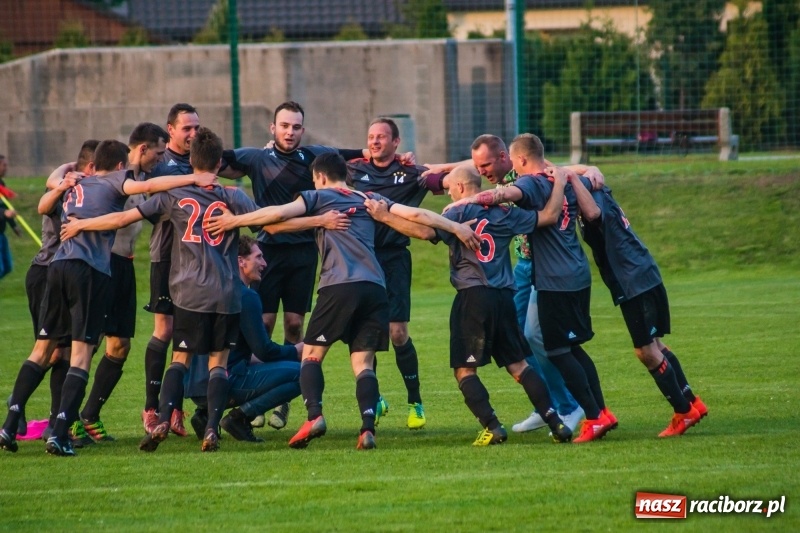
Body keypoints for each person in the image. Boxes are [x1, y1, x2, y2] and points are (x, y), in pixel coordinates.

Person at [204, 153, 476, 450]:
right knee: (363, 363)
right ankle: (367, 428)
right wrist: (456, 227)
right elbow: (417, 216)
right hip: (375, 287)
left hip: (338, 286)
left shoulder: (316, 196)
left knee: (311, 356)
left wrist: (235, 220)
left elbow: (277, 214)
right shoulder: (368, 197)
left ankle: (314, 416)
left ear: (319, 177)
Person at [0, 139, 216, 456]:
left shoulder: (76, 182)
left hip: (58, 268)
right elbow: (155, 183)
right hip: (89, 272)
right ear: (118, 167)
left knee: (42, 349)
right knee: (81, 355)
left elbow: (45, 202)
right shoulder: (114, 180)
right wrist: (193, 178)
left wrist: (66, 175)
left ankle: (8, 425)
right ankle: (59, 433)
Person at [61, 127, 256, 453]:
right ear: (220, 163)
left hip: (188, 292)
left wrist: (80, 224)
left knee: (178, 359)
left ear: (190, 160)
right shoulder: (234, 196)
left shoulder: (173, 195)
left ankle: (163, 418)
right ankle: (211, 430)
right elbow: (269, 221)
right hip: (226, 292)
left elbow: (122, 219)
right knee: (218, 364)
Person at [365, 165, 573, 445]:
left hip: (473, 297)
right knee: (520, 366)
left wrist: (384, 217)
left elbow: (423, 232)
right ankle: (556, 422)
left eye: (450, 187)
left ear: (461, 187)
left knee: (464, 370)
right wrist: (559, 183)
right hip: (504, 297)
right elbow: (549, 216)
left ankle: (492, 426)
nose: (448, 191)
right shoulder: (505, 211)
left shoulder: (458, 211)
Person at [219, 102, 396, 430]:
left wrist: (391, 156)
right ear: (273, 128)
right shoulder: (256, 158)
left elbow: (350, 153)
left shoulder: (314, 157)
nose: (290, 132)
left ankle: (284, 402)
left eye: (296, 127)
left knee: (296, 325)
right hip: (269, 251)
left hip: (304, 253)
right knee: (265, 322)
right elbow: (218, 160)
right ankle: (259, 394)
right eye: (284, 126)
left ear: (303, 129)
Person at [445, 133, 617, 444]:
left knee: (544, 341)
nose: (481, 170)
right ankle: (553, 406)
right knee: (525, 342)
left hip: (546, 271)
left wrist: (590, 169)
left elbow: (546, 189)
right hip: (524, 267)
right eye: (477, 166)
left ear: (507, 157)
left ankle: (570, 408)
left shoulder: (524, 179)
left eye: (485, 164)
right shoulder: (526, 174)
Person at [570, 175, 707, 436]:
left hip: (632, 280)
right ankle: (691, 401)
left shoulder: (590, 201)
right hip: (642, 273)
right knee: (656, 345)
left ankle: (683, 411)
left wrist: (569, 178)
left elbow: (592, 212)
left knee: (645, 351)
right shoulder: (599, 189)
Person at [346, 117, 450, 430]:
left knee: (397, 333)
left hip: (394, 261)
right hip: (362, 260)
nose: (375, 141)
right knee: (365, 333)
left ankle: (415, 401)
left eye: (382, 137)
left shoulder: (411, 174)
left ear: (396, 142)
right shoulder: (353, 169)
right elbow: (315, 162)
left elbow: (447, 181)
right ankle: (374, 399)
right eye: (371, 137)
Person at [68, 123, 168, 445]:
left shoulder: (143, 181)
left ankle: (89, 416)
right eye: (157, 153)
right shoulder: (114, 179)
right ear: (141, 149)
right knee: (90, 343)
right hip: (102, 263)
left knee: (120, 345)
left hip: (124, 267)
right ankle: (68, 421)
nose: (160, 159)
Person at [140, 103, 207, 438]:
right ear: (171, 130)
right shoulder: (159, 165)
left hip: (196, 260)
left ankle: (175, 408)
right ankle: (152, 409)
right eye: (187, 128)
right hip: (166, 256)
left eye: (197, 128)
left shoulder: (202, 161)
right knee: (164, 330)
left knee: (188, 336)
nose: (193, 134)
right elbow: (149, 211)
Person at [25, 141, 98, 440]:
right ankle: (15, 414)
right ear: (90, 168)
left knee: (64, 353)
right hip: (47, 274)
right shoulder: (67, 189)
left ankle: (59, 425)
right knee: (52, 353)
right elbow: (45, 201)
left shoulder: (80, 187)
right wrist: (64, 176)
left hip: (65, 275)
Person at [0, 155, 20, 280]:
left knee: (7, 267)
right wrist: (3, 213)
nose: (6, 168)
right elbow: (4, 210)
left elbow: (5, 205)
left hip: (1, 234)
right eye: (4, 165)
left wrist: (14, 226)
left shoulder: (1, 184)